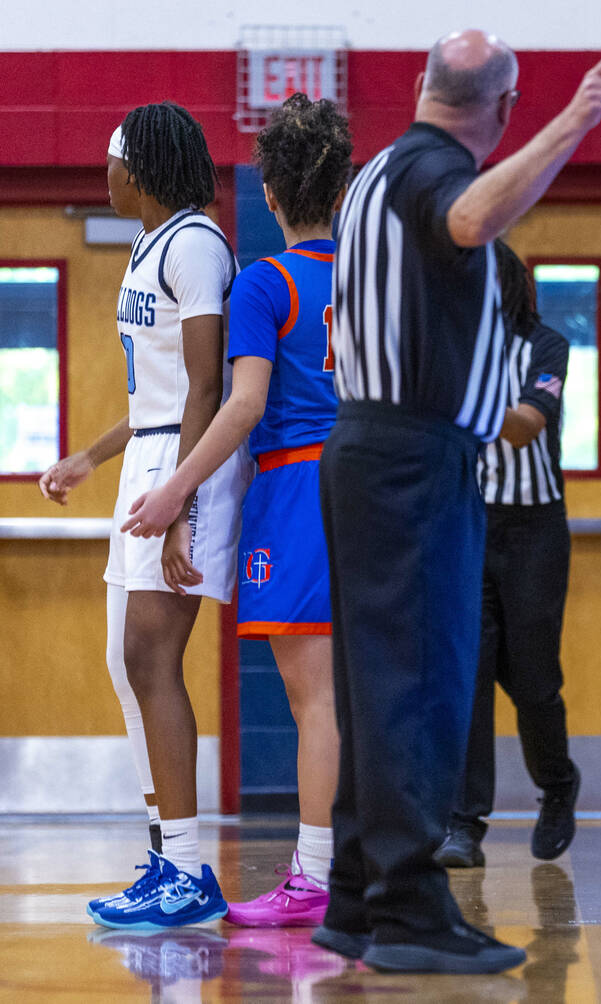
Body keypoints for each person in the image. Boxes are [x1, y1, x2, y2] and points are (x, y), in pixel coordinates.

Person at [316, 30, 601, 974]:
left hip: (373, 451)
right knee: (421, 682)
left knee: (377, 687)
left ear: (422, 85)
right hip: (412, 457)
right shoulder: (430, 173)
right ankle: (412, 913)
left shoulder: (374, 169)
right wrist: (573, 122)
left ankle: (356, 901)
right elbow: (467, 217)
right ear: (500, 109)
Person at [120, 93, 353, 927]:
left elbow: (242, 401)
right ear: (340, 186)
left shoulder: (265, 281)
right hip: (370, 485)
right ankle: (346, 865)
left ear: (272, 191)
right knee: (357, 695)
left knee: (313, 699)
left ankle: (317, 875)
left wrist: (176, 488)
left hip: (298, 487)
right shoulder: (362, 279)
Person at [38, 101, 251, 927]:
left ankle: (190, 872)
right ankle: (165, 853)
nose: (106, 173)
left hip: (182, 467)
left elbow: (205, 386)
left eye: (114, 160)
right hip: (150, 456)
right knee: (124, 660)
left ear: (147, 168)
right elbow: (156, 391)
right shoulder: (149, 244)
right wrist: (92, 456)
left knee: (151, 658)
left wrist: (178, 507)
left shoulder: (197, 243)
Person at [436, 241, 578, 870]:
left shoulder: (546, 346)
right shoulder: (450, 345)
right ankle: (464, 824)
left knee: (534, 680)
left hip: (534, 533)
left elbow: (523, 426)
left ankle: (558, 785)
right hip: (469, 523)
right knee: (469, 677)